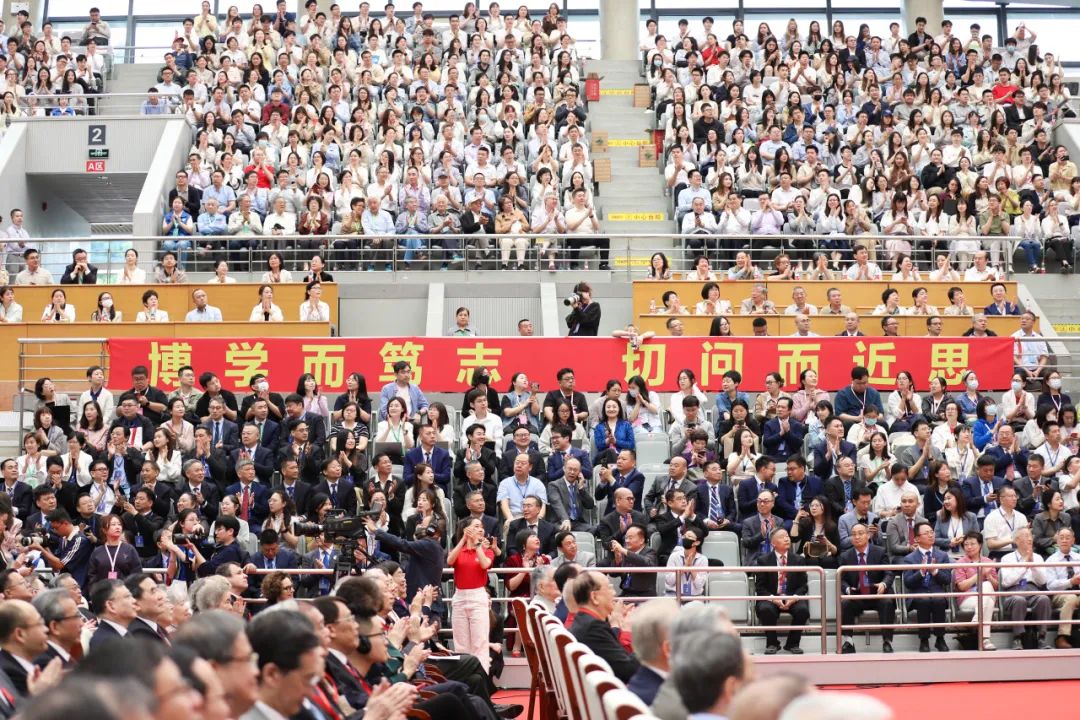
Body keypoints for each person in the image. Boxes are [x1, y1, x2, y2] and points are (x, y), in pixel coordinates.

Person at [568, 570, 640, 682]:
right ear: (594, 597)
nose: (614, 593)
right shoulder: (593, 627)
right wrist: (647, 642)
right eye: (609, 588)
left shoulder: (582, 621)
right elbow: (628, 671)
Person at [838, 522, 896, 653]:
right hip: (857, 594)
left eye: (860, 533)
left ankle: (887, 641)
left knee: (887, 602)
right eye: (853, 534)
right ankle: (848, 641)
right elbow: (842, 579)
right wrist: (847, 589)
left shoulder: (880, 552)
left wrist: (883, 584)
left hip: (877, 593)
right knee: (846, 603)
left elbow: (889, 573)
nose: (857, 537)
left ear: (868, 535)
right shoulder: (845, 556)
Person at [447, 516, 494, 673]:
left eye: (481, 526)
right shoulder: (459, 550)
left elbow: (485, 564)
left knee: (480, 642)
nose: (480, 529)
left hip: (478, 596)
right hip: (460, 597)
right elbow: (449, 560)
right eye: (476, 526)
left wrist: (477, 544)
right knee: (461, 644)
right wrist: (463, 540)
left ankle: (483, 680)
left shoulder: (486, 551)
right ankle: (465, 679)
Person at [754, 528, 810, 654]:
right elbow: (760, 587)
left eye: (787, 536)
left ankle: (792, 644)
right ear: (773, 543)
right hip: (771, 596)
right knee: (765, 609)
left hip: (791, 596)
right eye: (782, 537)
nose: (787, 539)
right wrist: (773, 598)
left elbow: (803, 586)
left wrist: (794, 597)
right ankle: (772, 643)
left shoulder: (798, 560)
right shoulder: (763, 560)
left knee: (803, 610)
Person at [999, 527, 1053, 649]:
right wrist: (1024, 565)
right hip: (1014, 591)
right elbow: (1007, 582)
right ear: (1016, 541)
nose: (1029, 538)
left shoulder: (1038, 557)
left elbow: (1043, 581)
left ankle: (1042, 637)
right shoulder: (1007, 558)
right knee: (1019, 600)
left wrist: (1033, 565)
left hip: (1033, 590)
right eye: (1025, 536)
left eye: (1030, 535)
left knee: (1044, 598)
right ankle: (1017, 638)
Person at [902, 521, 952, 652]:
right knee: (923, 600)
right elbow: (908, 582)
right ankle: (924, 640)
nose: (931, 535)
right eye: (926, 533)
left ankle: (940, 639)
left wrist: (935, 572)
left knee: (939, 600)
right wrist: (921, 572)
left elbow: (947, 580)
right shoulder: (909, 558)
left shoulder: (942, 556)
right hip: (918, 594)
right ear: (917, 538)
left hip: (936, 592)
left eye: (932, 532)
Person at [1044, 527, 1080, 648]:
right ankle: (1062, 637)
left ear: (1073, 540)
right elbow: (1050, 585)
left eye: (1068, 538)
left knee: (1074, 597)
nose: (1064, 540)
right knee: (1070, 598)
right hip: (1059, 595)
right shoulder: (1051, 560)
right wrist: (1070, 581)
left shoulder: (1078, 558)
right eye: (1061, 538)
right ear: (1057, 541)